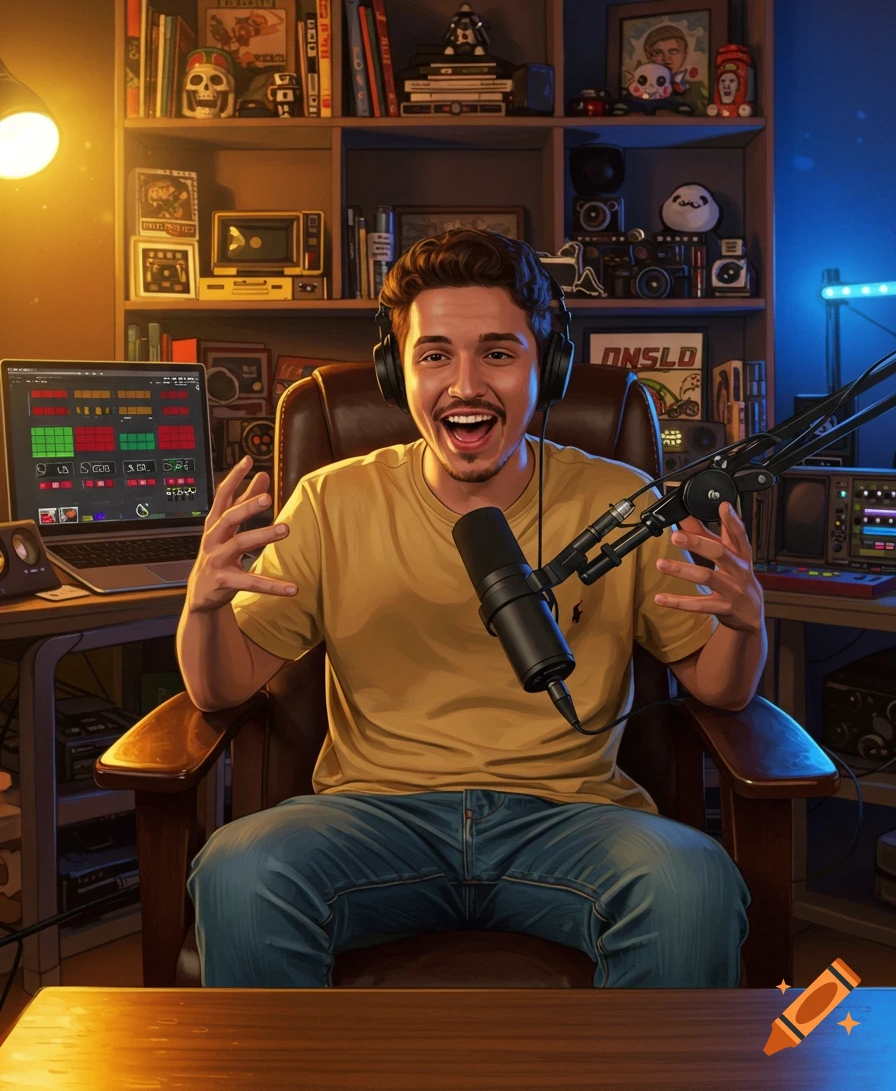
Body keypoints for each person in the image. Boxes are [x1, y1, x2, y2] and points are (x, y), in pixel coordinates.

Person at [179, 228, 763, 989]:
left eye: (497, 352)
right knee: (238, 870)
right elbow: (222, 690)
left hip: (571, 819)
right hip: (374, 820)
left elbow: (719, 688)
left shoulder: (623, 503)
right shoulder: (333, 499)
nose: (465, 385)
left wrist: (743, 624)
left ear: (545, 366)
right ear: (398, 372)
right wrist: (204, 607)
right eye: (435, 355)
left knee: (691, 884)